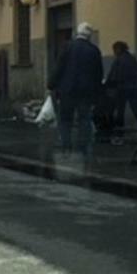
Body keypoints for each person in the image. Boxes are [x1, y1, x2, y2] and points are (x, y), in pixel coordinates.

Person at [47, 22, 104, 167]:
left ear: (76, 33)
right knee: (84, 120)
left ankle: (67, 146)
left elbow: (59, 67)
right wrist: (97, 93)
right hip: (86, 93)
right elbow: (99, 74)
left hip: (67, 91)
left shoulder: (67, 47)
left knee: (65, 120)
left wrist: (51, 84)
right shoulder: (94, 50)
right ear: (89, 36)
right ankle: (83, 149)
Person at [106, 41, 137, 144]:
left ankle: (119, 135)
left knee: (120, 112)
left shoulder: (118, 60)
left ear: (118, 49)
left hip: (121, 89)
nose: (114, 52)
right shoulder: (132, 58)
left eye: (114, 50)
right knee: (136, 110)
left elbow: (113, 76)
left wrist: (107, 85)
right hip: (133, 88)